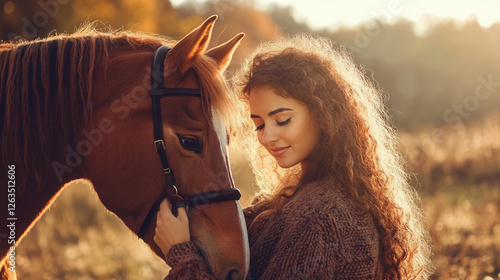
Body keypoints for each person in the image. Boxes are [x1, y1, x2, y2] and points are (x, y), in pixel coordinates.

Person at [154, 34, 433, 279]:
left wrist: (182, 256)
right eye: (259, 124)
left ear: (324, 115)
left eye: (283, 120)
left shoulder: (322, 217)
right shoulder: (301, 197)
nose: (267, 137)